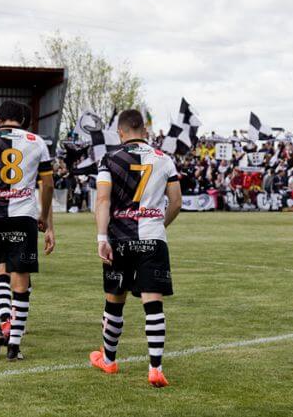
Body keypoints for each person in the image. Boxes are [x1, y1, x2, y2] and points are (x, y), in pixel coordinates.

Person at [89, 109, 182, 388]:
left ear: (120, 132)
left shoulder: (110, 159)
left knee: (115, 300)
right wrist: (158, 225)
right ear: (144, 129)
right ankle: (155, 368)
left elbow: (103, 200)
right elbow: (176, 202)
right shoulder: (165, 159)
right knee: (153, 304)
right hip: (152, 238)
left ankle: (108, 360)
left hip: (120, 239)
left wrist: (101, 238)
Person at [0, 100, 55, 361]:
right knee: (20, 279)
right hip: (23, 216)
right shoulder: (37, 141)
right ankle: (14, 345)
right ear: (24, 120)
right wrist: (44, 217)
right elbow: (47, 185)